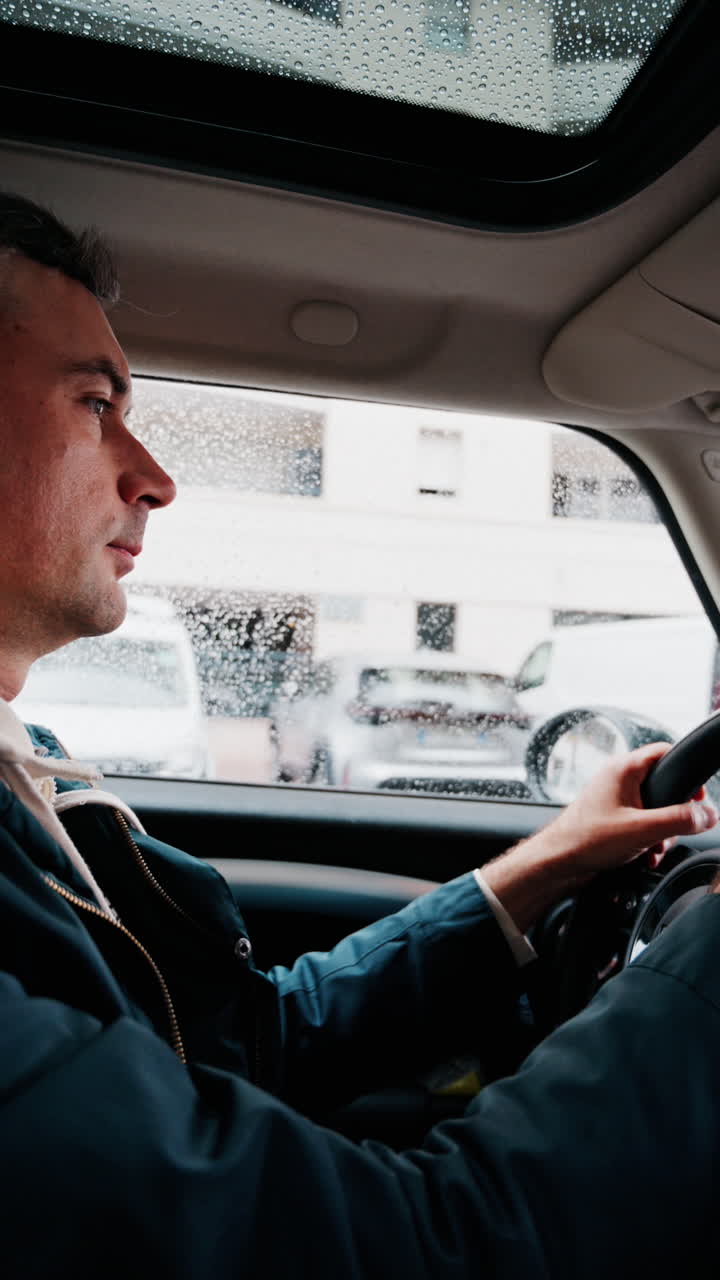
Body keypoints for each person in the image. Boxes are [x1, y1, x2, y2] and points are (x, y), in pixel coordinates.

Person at [1, 191, 720, 1280]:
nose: (155, 475)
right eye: (96, 402)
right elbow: (412, 1252)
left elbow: (251, 1046)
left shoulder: (31, 776)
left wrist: (546, 862)